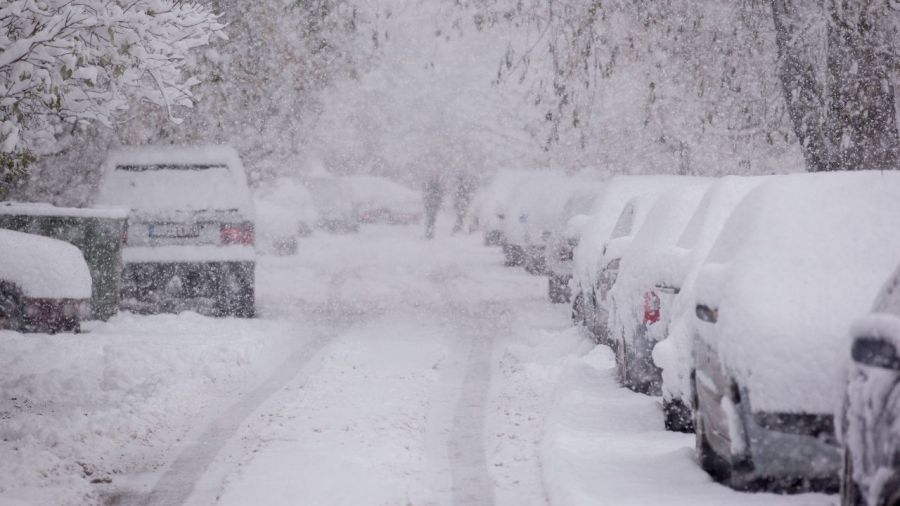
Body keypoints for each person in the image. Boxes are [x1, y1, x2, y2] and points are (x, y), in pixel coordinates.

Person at [423, 170, 444, 239]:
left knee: (432, 219)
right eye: (434, 175)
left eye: (436, 175)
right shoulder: (430, 183)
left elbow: (440, 194)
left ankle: (430, 233)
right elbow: (426, 193)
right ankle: (428, 233)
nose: (435, 176)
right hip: (429, 204)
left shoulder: (438, 184)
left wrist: (439, 202)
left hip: (434, 205)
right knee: (430, 219)